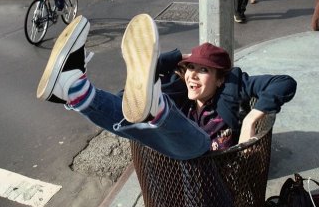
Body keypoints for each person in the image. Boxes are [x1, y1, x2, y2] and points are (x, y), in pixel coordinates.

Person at [36, 14, 297, 160]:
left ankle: (155, 111)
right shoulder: (180, 88)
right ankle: (74, 89)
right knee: (135, 116)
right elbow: (127, 99)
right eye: (191, 68)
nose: (193, 75)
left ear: (219, 79)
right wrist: (180, 58)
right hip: (178, 166)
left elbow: (284, 83)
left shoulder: (232, 86)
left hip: (221, 170)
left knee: (197, 143)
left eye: (204, 70)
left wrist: (252, 118)